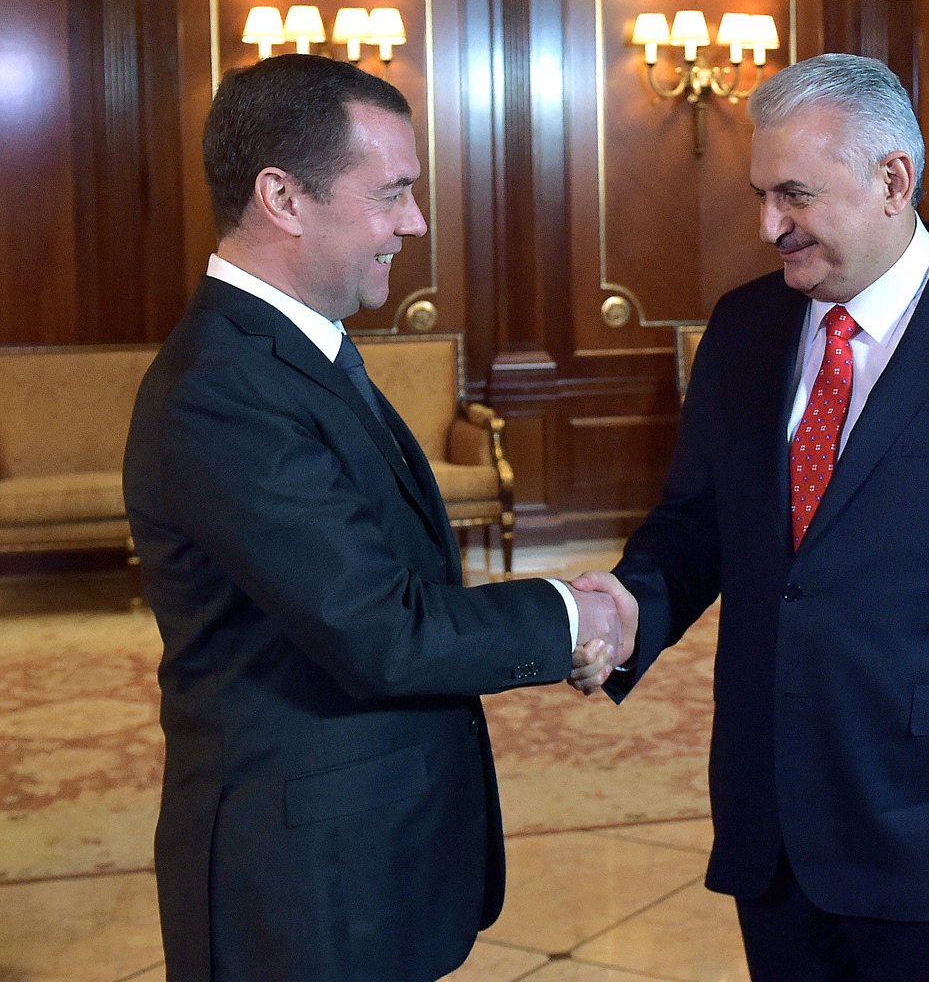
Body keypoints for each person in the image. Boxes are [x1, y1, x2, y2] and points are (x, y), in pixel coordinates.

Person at [574, 53, 929, 981]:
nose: (767, 226)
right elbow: (698, 524)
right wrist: (635, 608)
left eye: (793, 195)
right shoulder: (745, 325)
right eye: (759, 195)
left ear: (893, 181)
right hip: (773, 824)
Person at [124, 53, 630, 982]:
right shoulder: (223, 389)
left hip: (366, 854)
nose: (415, 221)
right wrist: (573, 617)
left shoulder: (291, 354)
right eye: (392, 191)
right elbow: (380, 629)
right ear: (283, 196)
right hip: (300, 888)